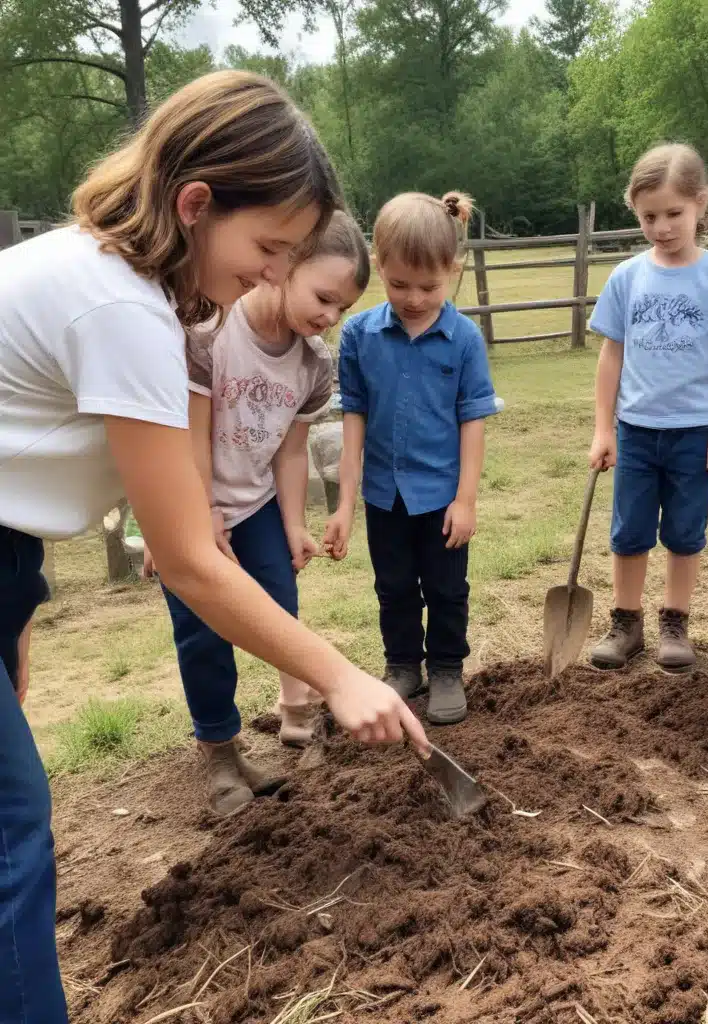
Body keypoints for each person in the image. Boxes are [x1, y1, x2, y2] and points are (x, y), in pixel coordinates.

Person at [0, 71, 428, 1024]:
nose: (273, 276)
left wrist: (14, 602)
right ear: (195, 205)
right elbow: (191, 558)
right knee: (10, 829)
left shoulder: (112, 282)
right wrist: (344, 675)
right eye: (268, 247)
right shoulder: (117, 309)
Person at [142, 211, 371, 815]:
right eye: (323, 297)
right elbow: (189, 438)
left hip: (258, 506)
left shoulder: (313, 365)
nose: (329, 317)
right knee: (204, 632)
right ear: (283, 267)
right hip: (192, 504)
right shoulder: (209, 332)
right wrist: (198, 514)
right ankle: (220, 752)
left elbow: (291, 454)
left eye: (341, 308)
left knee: (278, 612)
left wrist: (294, 522)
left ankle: (294, 712)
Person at [324, 191, 503, 726]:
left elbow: (473, 425)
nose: (415, 298)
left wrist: (466, 500)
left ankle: (447, 668)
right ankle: (404, 664)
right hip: (384, 494)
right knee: (393, 586)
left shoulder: (464, 339)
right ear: (378, 266)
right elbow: (352, 422)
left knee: (447, 588)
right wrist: (344, 505)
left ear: (452, 269)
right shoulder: (358, 335)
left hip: (442, 497)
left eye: (429, 286)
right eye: (399, 285)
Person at [587, 143, 708, 673]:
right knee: (629, 531)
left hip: (694, 432)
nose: (661, 227)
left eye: (673, 214)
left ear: (701, 204)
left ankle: (675, 622)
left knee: (685, 533)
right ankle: (626, 622)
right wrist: (603, 429)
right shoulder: (627, 277)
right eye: (648, 217)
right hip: (636, 431)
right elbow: (611, 356)